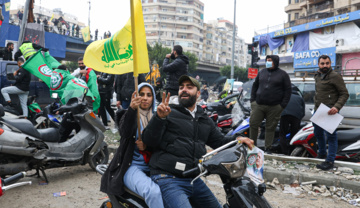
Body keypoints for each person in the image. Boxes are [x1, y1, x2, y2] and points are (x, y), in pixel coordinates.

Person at [142, 75, 254, 208]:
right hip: (167, 177)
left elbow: (220, 142)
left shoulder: (204, 118)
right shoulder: (168, 112)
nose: (184, 90)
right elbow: (148, 141)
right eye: (181, 87)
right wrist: (159, 119)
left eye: (189, 87)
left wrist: (237, 140)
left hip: (192, 179)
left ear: (198, 93)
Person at [100, 83, 164, 207]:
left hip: (155, 166)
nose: (145, 98)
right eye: (141, 94)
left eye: (149, 95)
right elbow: (124, 133)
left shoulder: (159, 117)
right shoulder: (128, 114)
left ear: (153, 98)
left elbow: (162, 143)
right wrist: (131, 110)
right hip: (132, 166)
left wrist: (147, 147)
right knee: (153, 192)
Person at [313, 55, 349, 170]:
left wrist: (337, 107)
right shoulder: (317, 75)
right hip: (318, 111)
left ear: (330, 64)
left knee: (331, 137)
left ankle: (329, 161)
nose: (325, 66)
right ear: (318, 64)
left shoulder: (335, 76)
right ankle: (322, 154)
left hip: (330, 112)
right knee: (318, 134)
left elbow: (344, 94)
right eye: (322, 63)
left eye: (327, 63)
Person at [250, 55, 291, 153]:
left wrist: (282, 105)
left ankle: (268, 148)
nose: (268, 62)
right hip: (258, 105)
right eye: (267, 61)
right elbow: (255, 86)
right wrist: (253, 100)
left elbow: (288, 90)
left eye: (270, 61)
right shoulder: (261, 72)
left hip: (274, 107)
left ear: (276, 62)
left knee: (270, 127)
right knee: (253, 124)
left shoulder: (283, 74)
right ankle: (251, 146)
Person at [279, 85, 305, 155]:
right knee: (294, 134)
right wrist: (298, 118)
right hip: (296, 117)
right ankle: (292, 150)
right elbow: (303, 112)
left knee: (282, 134)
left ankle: (284, 152)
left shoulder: (284, 97)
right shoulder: (300, 98)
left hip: (285, 115)